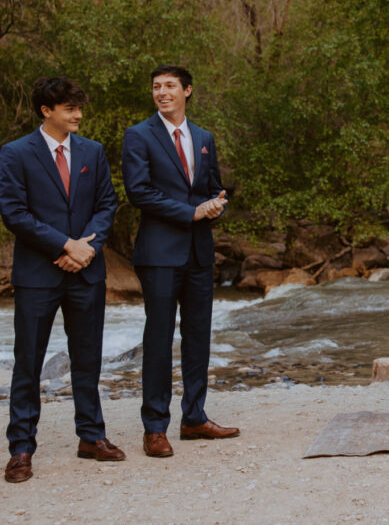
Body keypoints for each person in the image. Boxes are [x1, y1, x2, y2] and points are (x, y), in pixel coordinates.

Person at [0, 77, 122, 483]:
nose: (78, 115)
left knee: (87, 359)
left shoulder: (93, 151)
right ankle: (20, 449)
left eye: (79, 107)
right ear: (46, 111)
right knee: (28, 363)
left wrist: (85, 248)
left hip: (87, 272)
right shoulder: (15, 153)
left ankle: (91, 437)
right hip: (38, 274)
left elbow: (107, 203)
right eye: (70, 109)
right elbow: (14, 214)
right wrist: (63, 247)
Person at [122, 65, 236, 458]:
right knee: (158, 339)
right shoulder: (138, 135)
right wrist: (192, 213)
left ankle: (194, 418)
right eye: (156, 86)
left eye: (170, 86)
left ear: (187, 90)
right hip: (158, 254)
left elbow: (211, 187)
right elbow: (139, 192)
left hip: (199, 253)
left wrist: (216, 206)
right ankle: (155, 427)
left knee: (198, 337)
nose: (162, 92)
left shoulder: (204, 137)